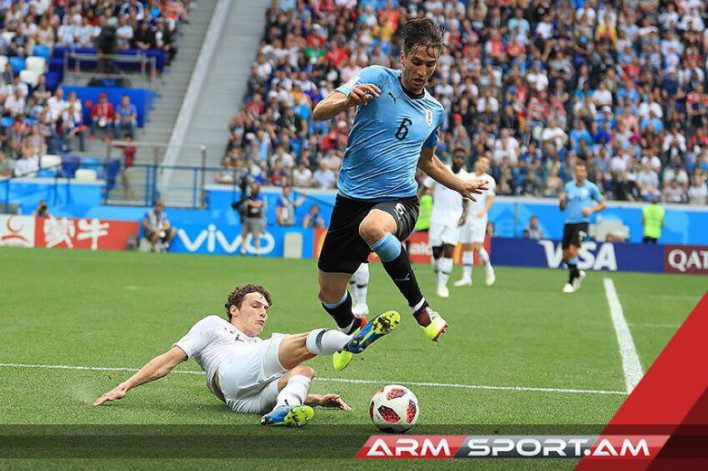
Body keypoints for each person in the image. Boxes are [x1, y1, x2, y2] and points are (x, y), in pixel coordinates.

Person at [311, 18, 488, 371]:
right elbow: (319, 111)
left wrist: (460, 184)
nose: (423, 71)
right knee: (328, 293)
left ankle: (421, 308)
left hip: (399, 200)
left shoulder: (433, 111)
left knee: (373, 227)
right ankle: (352, 330)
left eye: (430, 65)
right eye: (417, 62)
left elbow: (428, 160)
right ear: (403, 57)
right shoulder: (376, 77)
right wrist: (347, 101)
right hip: (351, 200)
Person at [94, 284, 401, 426]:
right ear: (234, 310)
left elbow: (261, 377)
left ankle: (283, 411)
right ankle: (351, 342)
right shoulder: (214, 326)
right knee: (297, 342)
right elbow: (168, 360)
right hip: (230, 371)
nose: (263, 312)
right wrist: (126, 385)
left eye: (266, 308)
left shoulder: (256, 345)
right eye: (256, 306)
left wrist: (318, 400)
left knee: (304, 372)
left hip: (242, 402)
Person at [425, 148, 469, 298]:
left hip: (454, 218)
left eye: (462, 157)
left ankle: (443, 285)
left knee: (449, 250)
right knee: (436, 252)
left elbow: (466, 199)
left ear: (464, 160)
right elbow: (426, 186)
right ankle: (438, 280)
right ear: (452, 157)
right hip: (437, 216)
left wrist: (465, 215)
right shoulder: (441, 171)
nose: (459, 160)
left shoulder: (466, 177)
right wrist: (414, 203)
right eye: (457, 157)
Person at [559, 161, 606, 293]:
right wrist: (562, 200)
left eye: (582, 171)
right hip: (569, 222)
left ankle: (570, 282)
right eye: (578, 171)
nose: (580, 174)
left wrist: (591, 210)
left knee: (573, 250)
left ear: (586, 173)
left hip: (582, 222)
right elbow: (562, 208)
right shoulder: (568, 187)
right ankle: (577, 272)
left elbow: (603, 204)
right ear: (575, 173)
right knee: (565, 257)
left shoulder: (591, 188)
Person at [455, 154, 497, 287]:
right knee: (466, 245)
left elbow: (491, 198)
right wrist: (464, 214)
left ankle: (489, 270)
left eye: (487, 163)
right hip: (468, 215)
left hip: (479, 217)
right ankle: (466, 277)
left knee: (477, 247)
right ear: (477, 163)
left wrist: (483, 211)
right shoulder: (469, 177)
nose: (485, 165)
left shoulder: (489, 180)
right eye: (483, 162)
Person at [240, 182, 265, 256]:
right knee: (244, 235)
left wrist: (249, 202)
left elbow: (258, 204)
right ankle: (243, 250)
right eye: (252, 187)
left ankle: (257, 251)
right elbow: (244, 204)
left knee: (256, 235)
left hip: (255, 218)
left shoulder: (259, 196)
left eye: (254, 187)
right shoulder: (249, 195)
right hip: (247, 217)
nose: (253, 188)